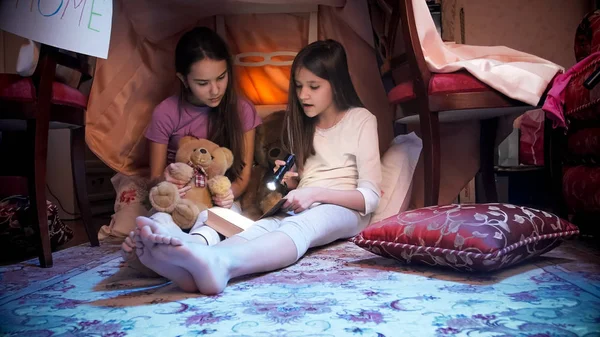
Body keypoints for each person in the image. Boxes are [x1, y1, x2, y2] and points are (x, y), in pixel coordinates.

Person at [131, 39, 381, 294]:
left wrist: (314, 193)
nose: (303, 95)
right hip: (305, 203)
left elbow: (370, 198)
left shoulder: (361, 120)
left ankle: (222, 264)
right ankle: (193, 256)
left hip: (345, 210)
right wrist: (293, 183)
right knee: (263, 226)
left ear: (336, 84)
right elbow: (306, 182)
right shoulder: (303, 126)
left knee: (300, 226)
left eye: (313, 86)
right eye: (298, 86)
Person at [118, 26, 261, 258]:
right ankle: (151, 241)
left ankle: (191, 246)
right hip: (179, 202)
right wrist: (166, 183)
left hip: (220, 203)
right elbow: (155, 178)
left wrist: (227, 194)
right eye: (203, 83)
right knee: (160, 217)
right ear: (183, 79)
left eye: (221, 78)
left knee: (223, 220)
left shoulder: (242, 110)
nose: (215, 90)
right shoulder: (166, 112)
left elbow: (243, 177)